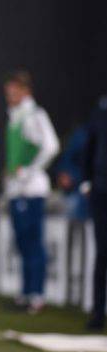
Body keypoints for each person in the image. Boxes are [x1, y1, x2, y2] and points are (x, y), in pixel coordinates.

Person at [3, 70, 59, 314]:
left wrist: (30, 170)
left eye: (14, 91)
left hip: (32, 189)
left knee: (33, 243)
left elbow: (51, 146)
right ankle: (26, 293)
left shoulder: (34, 115)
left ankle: (36, 294)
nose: (9, 96)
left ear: (26, 91)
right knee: (23, 243)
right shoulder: (17, 116)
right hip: (18, 190)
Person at [84, 96, 107, 330]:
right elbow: (90, 145)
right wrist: (87, 181)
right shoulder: (101, 110)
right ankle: (98, 312)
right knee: (102, 253)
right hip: (101, 190)